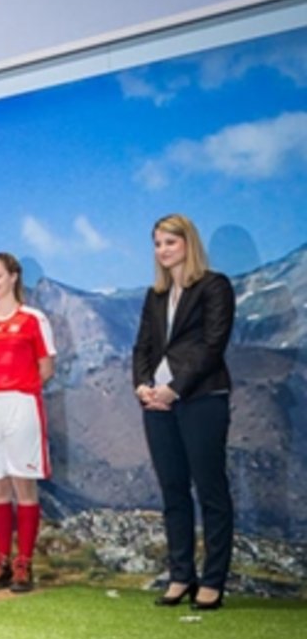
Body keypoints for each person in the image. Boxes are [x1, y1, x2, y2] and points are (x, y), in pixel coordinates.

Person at [133, 214, 236, 611]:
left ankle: (213, 581)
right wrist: (142, 385)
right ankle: (181, 576)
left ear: (188, 243)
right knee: (173, 491)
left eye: (170, 242)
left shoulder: (214, 286)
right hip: (156, 404)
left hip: (202, 398)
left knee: (210, 490)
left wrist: (175, 389)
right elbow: (142, 346)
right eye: (158, 244)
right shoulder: (155, 295)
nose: (162, 250)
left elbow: (213, 345)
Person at [0, 252, 56, 593]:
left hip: (22, 403)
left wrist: (19, 387)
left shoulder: (34, 319)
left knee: (23, 483)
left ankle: (24, 562)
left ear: (14, 276)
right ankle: (1, 558)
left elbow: (46, 367)